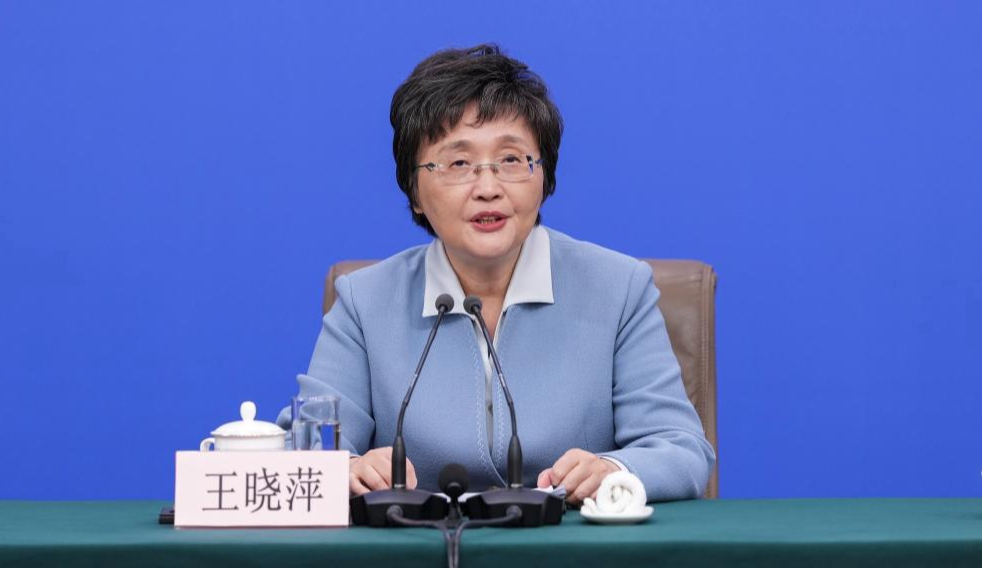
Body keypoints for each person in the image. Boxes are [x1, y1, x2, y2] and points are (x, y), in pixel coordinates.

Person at [281, 44, 714, 505]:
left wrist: (613, 470)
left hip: (567, 541)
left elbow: (680, 450)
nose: (488, 188)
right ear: (414, 192)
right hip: (419, 541)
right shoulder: (364, 301)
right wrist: (347, 470)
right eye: (458, 163)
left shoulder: (618, 288)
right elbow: (301, 448)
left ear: (544, 177)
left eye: (511, 160)